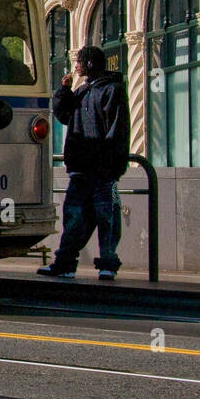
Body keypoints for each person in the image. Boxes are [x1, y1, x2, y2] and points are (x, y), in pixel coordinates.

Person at [39, 45, 131, 281]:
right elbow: (64, 115)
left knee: (106, 216)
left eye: (79, 61)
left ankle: (107, 263)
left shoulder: (112, 90)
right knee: (75, 217)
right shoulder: (82, 91)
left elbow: (117, 130)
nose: (75, 66)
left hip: (102, 169)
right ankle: (66, 262)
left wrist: (110, 163)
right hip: (81, 169)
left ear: (90, 64)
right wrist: (64, 90)